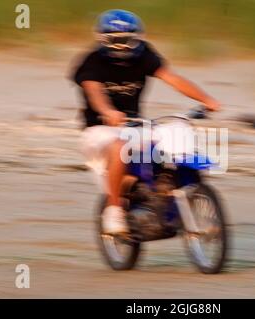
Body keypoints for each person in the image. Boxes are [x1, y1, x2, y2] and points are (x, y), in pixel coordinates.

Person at [72, 9, 220, 234]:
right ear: (103, 39)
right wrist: (108, 111)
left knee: (175, 137)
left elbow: (172, 78)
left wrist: (206, 99)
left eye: (128, 40)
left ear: (137, 39)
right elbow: (94, 92)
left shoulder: (144, 55)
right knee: (120, 146)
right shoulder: (91, 61)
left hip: (135, 125)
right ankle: (113, 210)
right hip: (99, 130)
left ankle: (169, 191)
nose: (122, 46)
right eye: (116, 40)